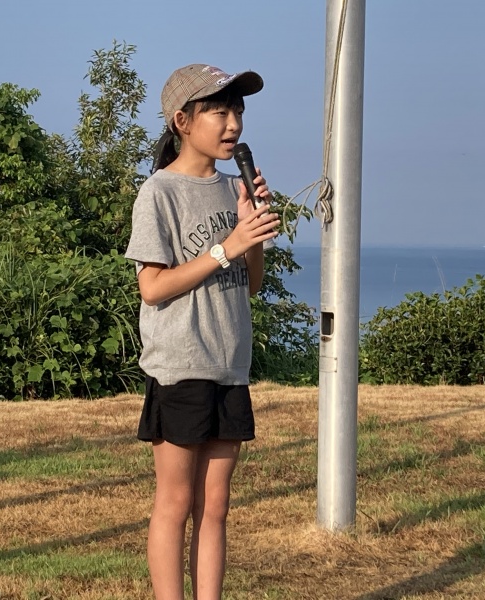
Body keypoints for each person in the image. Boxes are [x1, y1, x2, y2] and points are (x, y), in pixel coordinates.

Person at [124, 63, 280, 600]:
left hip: (229, 365)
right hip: (181, 365)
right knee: (175, 504)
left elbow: (251, 283)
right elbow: (152, 288)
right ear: (182, 121)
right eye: (219, 111)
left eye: (237, 110)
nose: (233, 122)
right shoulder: (160, 192)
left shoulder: (235, 187)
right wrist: (226, 246)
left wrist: (251, 232)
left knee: (215, 507)